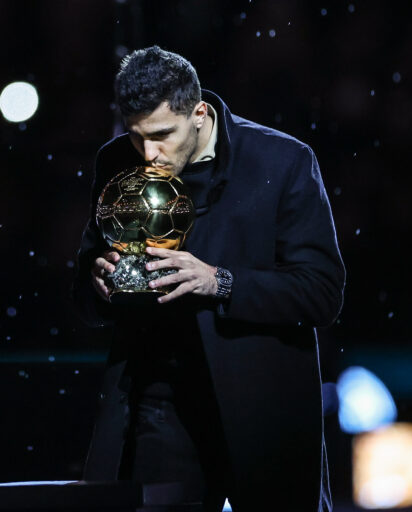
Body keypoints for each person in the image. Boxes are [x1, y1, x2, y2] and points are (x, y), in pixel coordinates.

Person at [72, 46, 345, 512]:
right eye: (137, 137)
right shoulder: (117, 161)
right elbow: (87, 280)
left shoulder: (282, 162)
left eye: (162, 135)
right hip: (161, 403)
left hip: (262, 407)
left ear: (199, 113)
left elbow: (321, 293)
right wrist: (99, 279)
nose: (149, 154)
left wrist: (218, 281)